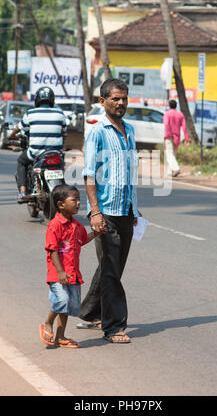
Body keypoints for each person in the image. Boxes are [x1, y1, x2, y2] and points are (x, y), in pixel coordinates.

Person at [77, 78, 140, 344]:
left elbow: (130, 172)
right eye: (115, 98)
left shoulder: (130, 130)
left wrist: (134, 207)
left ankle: (90, 311)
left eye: (124, 98)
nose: (121, 103)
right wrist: (95, 212)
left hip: (125, 209)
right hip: (106, 210)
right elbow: (90, 175)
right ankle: (114, 326)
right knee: (112, 269)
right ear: (103, 102)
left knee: (112, 266)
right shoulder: (97, 132)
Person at [39, 184, 106, 348]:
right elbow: (52, 249)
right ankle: (48, 323)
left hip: (74, 274)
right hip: (59, 274)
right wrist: (60, 272)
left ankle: (61, 336)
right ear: (61, 204)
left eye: (78, 200)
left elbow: (82, 240)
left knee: (70, 306)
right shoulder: (55, 225)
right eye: (74, 200)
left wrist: (96, 233)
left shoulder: (76, 225)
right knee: (62, 301)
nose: (78, 203)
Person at [9, 87, 67, 203]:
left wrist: (12, 134)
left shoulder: (30, 113)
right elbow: (64, 130)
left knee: (21, 161)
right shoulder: (60, 113)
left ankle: (23, 191)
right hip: (56, 153)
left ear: (37, 99)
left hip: (36, 152)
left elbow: (19, 128)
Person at [163, 99, 189, 177]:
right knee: (173, 154)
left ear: (169, 105)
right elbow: (184, 127)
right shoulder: (180, 115)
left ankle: (176, 168)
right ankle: (170, 172)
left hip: (169, 135)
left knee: (169, 153)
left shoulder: (167, 114)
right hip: (177, 136)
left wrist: (168, 133)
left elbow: (166, 124)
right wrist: (186, 139)